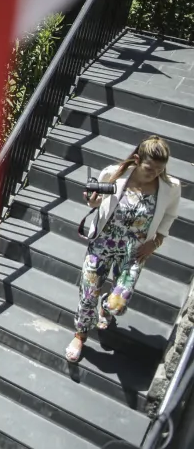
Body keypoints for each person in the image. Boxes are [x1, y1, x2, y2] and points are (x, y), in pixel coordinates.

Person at [65, 136, 182, 363]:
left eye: (160, 169)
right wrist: (92, 202)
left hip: (134, 251)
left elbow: (169, 216)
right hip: (102, 244)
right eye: (150, 168)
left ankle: (106, 308)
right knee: (88, 294)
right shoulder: (113, 174)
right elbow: (97, 204)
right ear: (137, 160)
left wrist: (156, 242)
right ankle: (80, 335)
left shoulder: (171, 187)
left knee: (116, 306)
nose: (155, 173)